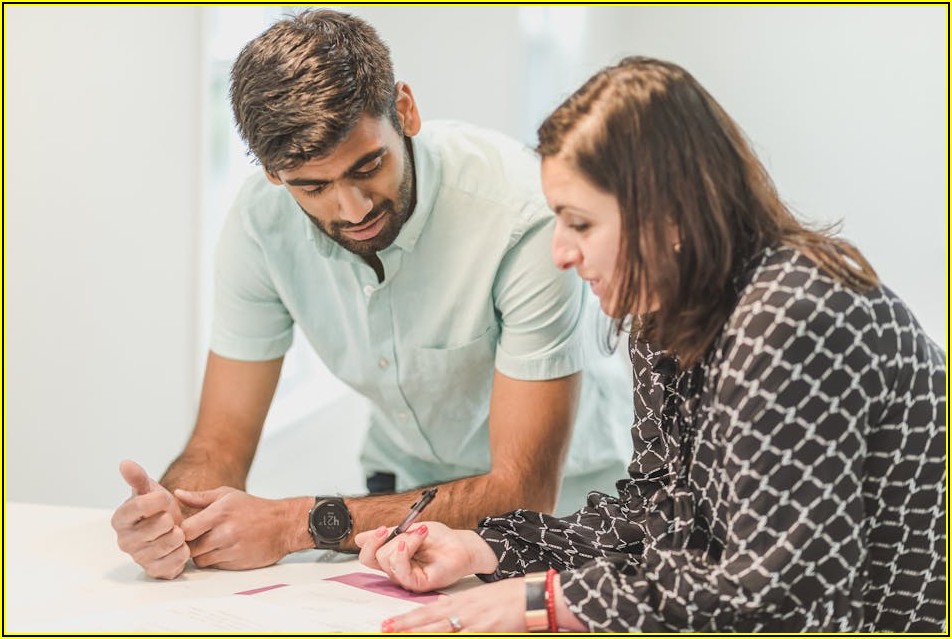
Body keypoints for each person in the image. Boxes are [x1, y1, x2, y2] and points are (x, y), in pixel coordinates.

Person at [356, 56, 947, 632]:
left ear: (668, 215)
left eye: (580, 223)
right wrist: (482, 548)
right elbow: (656, 517)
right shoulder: (663, 311)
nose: (561, 253)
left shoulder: (790, 315)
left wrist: (545, 603)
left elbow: (782, 598)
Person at [109, 10, 633, 580]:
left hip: (572, 513)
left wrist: (292, 524)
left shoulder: (521, 218)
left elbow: (523, 490)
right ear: (273, 173)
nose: (353, 209)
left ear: (404, 110)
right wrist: (176, 514)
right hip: (399, 494)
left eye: (369, 166)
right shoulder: (261, 225)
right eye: (314, 186)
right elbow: (220, 439)